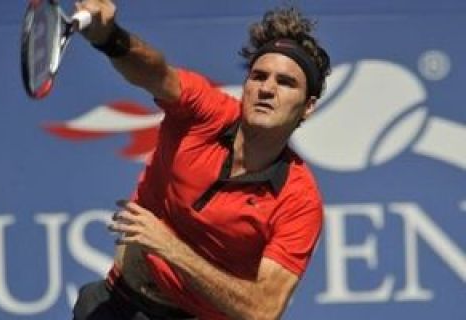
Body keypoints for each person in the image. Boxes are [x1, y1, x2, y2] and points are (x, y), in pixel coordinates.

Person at [72, 1, 331, 319]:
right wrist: (110, 38)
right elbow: (155, 73)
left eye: (285, 82)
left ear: (308, 107)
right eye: (259, 76)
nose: (267, 89)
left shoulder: (299, 201)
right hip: (117, 302)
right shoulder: (204, 112)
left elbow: (263, 311)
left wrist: (170, 248)